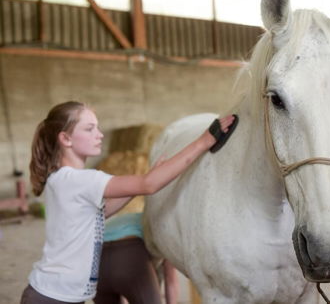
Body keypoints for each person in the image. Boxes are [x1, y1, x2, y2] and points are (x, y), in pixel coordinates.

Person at [20, 101, 237, 304]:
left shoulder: (61, 178)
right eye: (89, 129)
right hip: (53, 297)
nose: (100, 134)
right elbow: (150, 185)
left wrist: (139, 184)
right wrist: (204, 141)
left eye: (97, 127)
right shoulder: (81, 180)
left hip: (52, 294)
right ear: (65, 139)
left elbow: (99, 213)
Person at [94, 212, 179, 304]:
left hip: (97, 259)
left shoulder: (117, 211)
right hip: (130, 251)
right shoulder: (155, 220)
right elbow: (170, 279)